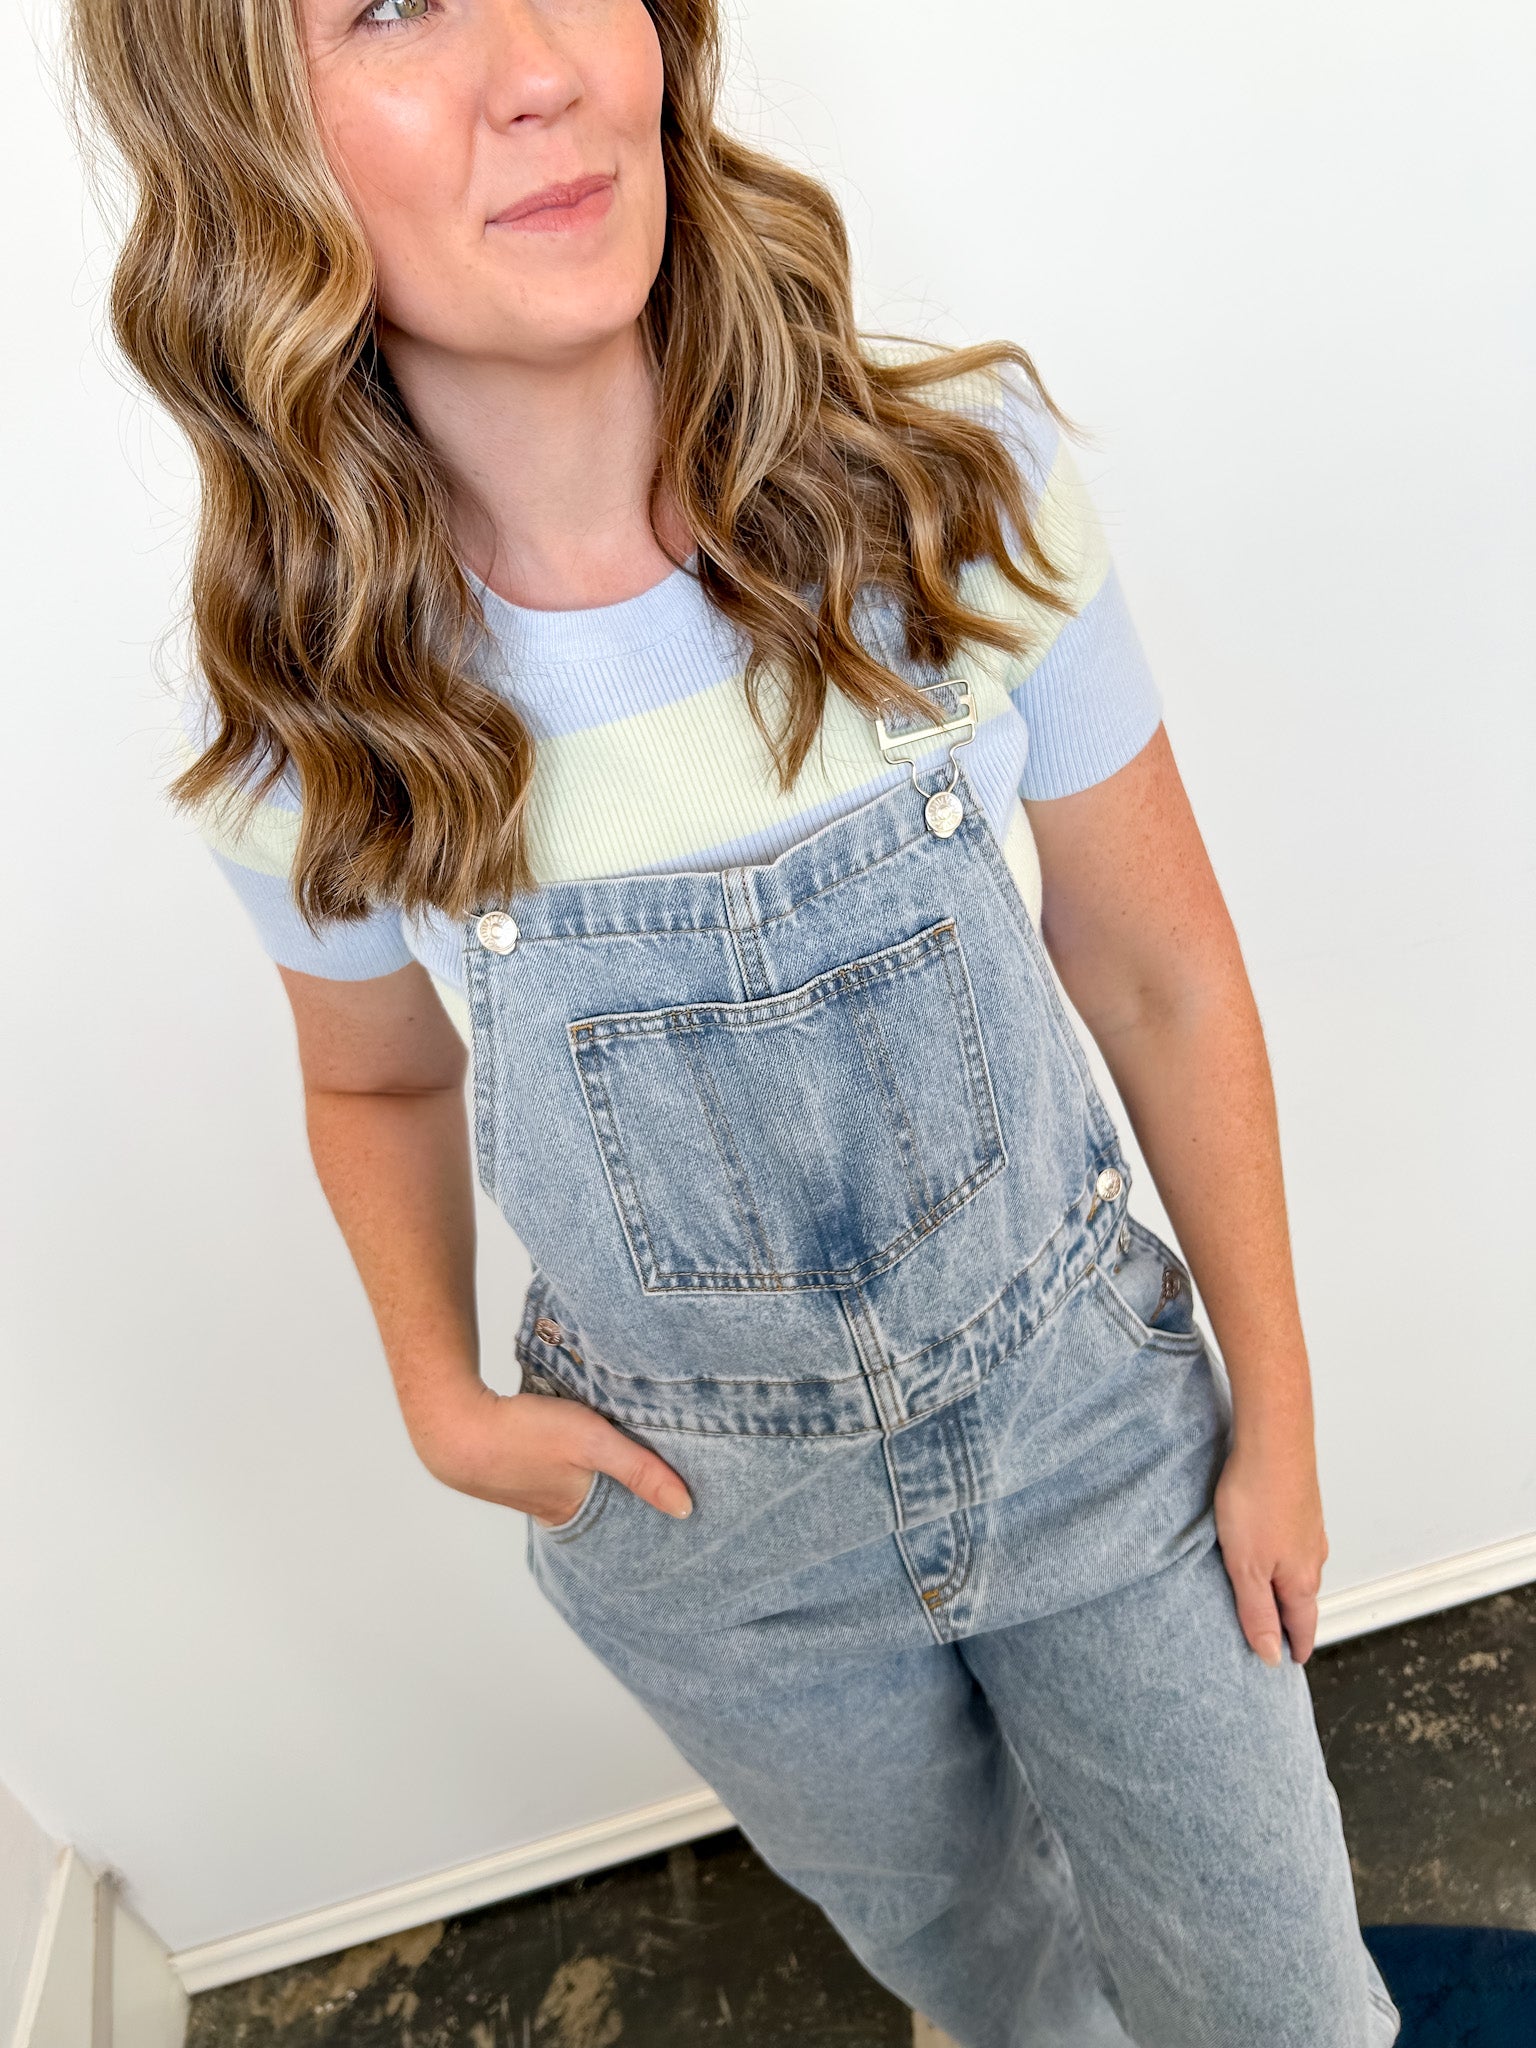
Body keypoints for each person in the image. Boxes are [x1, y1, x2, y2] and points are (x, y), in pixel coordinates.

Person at [63, 0, 1403, 2041]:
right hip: (724, 1555)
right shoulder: (304, 716)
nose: (540, 66)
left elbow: (1162, 970)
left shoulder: (952, 496)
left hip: (1092, 1445)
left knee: (1282, 2001)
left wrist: (1280, 1418)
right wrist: (439, 1394)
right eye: (395, 2)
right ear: (242, 141)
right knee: (992, 1980)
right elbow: (375, 1072)